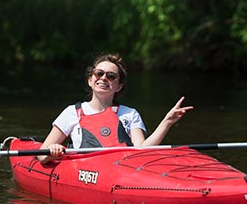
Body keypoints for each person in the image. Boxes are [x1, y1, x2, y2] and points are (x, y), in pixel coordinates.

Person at [38, 53, 193, 164]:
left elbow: (141, 150)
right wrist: (53, 149)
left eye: (111, 76)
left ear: (118, 86)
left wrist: (167, 122)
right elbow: (41, 156)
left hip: (122, 171)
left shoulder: (130, 114)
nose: (104, 78)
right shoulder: (72, 113)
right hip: (84, 171)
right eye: (99, 74)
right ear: (90, 81)